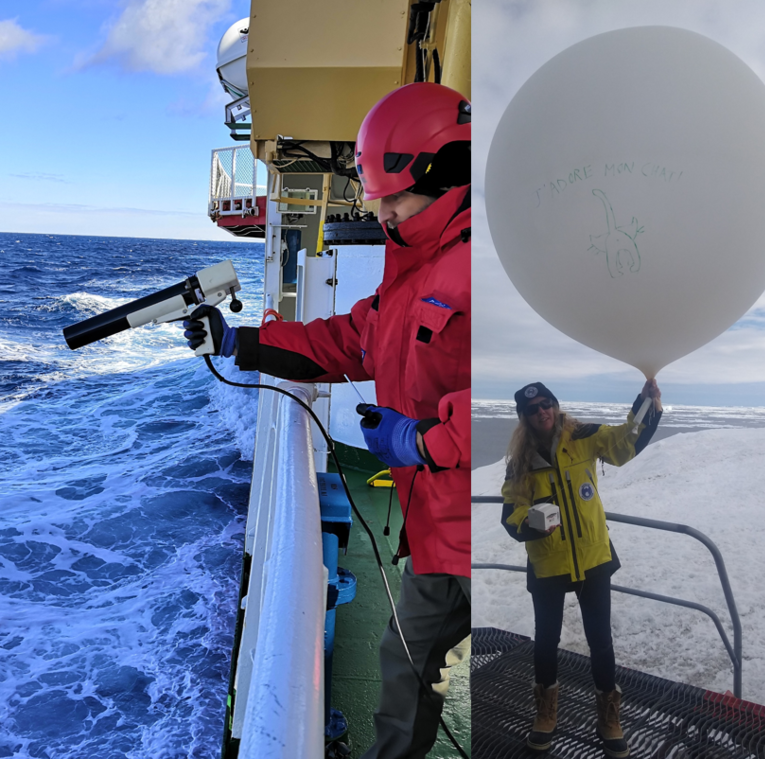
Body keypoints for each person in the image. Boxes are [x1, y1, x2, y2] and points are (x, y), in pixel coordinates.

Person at [184, 82, 472, 759]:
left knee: (408, 672)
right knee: (415, 666)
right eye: (377, 197)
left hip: (471, 529)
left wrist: (418, 438)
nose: (382, 213)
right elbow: (343, 341)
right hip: (433, 520)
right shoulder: (414, 274)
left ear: (449, 177)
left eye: (395, 197)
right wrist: (240, 343)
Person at [500, 380, 663, 758]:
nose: (542, 411)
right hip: (548, 563)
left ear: (555, 406)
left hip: (592, 558)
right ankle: (545, 714)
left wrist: (645, 403)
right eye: (533, 409)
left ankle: (609, 717)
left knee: (601, 641)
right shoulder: (520, 461)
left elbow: (624, 444)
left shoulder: (584, 436)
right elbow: (511, 514)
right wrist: (533, 522)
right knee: (546, 641)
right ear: (524, 418)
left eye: (547, 404)